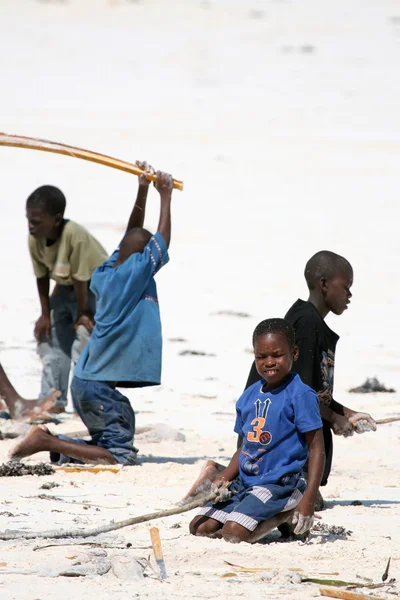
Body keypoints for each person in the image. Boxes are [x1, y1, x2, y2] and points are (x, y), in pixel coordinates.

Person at [10, 167, 173, 464]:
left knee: (109, 436)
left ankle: (53, 443)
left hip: (87, 381)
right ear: (141, 256)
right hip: (95, 386)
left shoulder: (107, 271)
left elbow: (131, 234)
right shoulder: (135, 274)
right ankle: (45, 440)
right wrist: (166, 195)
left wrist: (143, 188)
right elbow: (161, 238)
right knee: (119, 454)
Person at [245, 251, 376, 509]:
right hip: (273, 450)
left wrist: (348, 413)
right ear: (324, 284)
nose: (350, 295)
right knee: (305, 503)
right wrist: (335, 419)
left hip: (275, 447)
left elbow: (311, 393)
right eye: (346, 287)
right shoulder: (306, 324)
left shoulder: (309, 320)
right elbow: (296, 394)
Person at [189, 318, 325, 544]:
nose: (269, 362)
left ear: (294, 353)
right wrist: (223, 478)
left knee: (233, 533)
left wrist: (309, 499)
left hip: (278, 484)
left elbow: (316, 448)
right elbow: (244, 448)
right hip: (244, 483)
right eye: (261, 357)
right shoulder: (249, 397)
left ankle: (285, 514)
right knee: (200, 527)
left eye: (277, 355)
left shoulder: (300, 394)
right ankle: (250, 510)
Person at [26, 184, 108, 413]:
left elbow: (82, 277)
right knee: (49, 336)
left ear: (56, 219)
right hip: (65, 287)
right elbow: (41, 276)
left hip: (93, 288)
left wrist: (82, 313)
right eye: (29, 220)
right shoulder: (34, 239)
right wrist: (45, 314)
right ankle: (53, 399)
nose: (31, 226)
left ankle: (88, 401)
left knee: (83, 339)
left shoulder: (75, 235)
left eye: (36, 221)